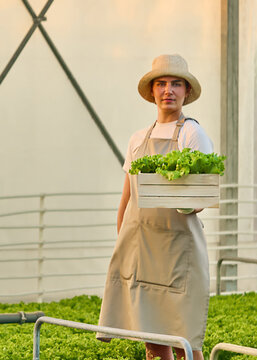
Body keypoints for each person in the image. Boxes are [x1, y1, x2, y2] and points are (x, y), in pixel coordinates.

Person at [97, 54, 213, 360]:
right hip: (142, 248)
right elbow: (127, 199)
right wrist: (123, 244)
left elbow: (198, 200)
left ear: (187, 91)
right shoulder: (138, 139)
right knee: (152, 339)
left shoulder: (192, 134)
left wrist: (186, 201)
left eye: (176, 84)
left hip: (177, 250)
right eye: (161, 84)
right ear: (152, 92)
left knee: (183, 338)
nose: (168, 91)